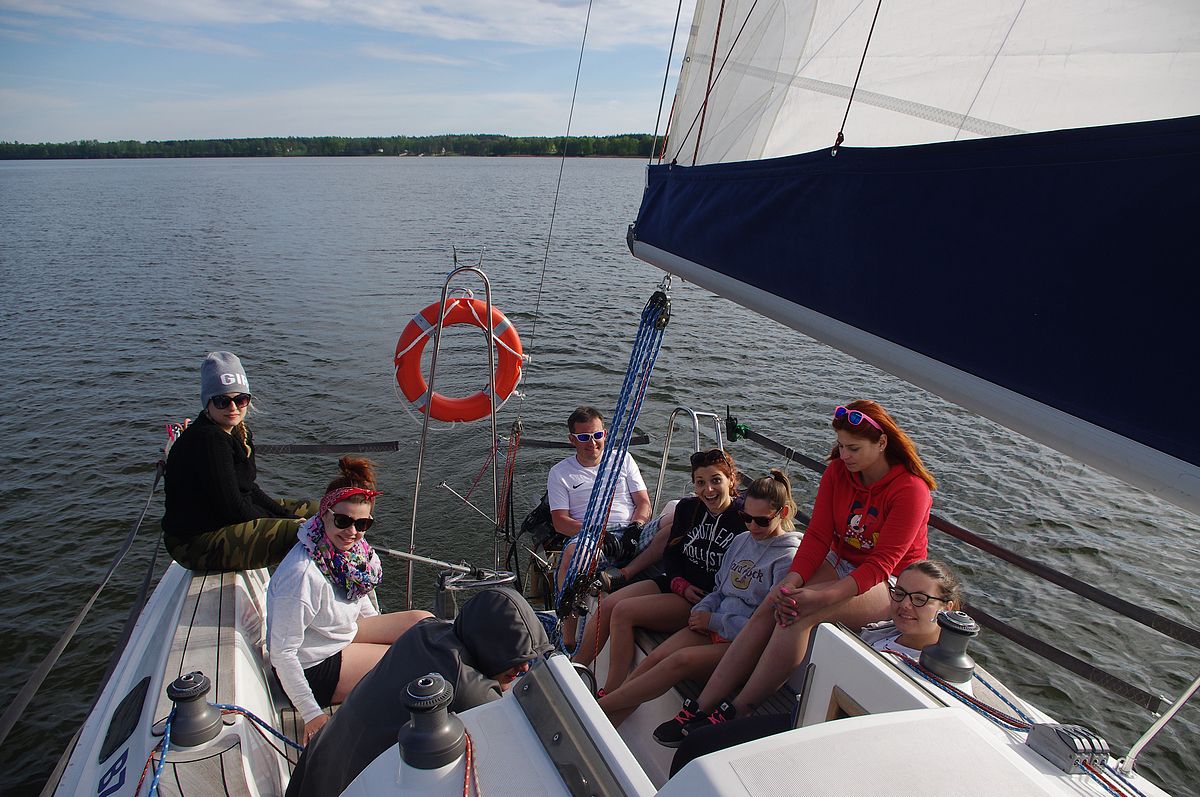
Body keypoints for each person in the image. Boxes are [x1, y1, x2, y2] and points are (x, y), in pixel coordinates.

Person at [657, 400, 936, 741]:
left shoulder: (910, 490)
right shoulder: (838, 472)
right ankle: (702, 705)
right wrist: (791, 581)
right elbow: (817, 536)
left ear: (881, 443)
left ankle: (739, 708)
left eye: (853, 448)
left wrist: (820, 597)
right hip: (839, 560)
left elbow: (881, 564)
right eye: (840, 446)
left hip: (890, 582)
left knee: (800, 612)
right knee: (777, 599)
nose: (844, 456)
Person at [668, 559, 964, 775]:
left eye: (920, 599)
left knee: (697, 749)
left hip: (835, 748)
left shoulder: (938, 674)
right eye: (899, 594)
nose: (905, 605)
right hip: (809, 718)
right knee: (696, 747)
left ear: (947, 608)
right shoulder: (885, 632)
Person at [284, 587, 553, 797]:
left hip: (313, 774)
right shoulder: (469, 691)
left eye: (528, 658)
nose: (523, 668)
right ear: (490, 643)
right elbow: (508, 756)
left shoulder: (426, 631)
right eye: (515, 656)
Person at [597, 471, 802, 732]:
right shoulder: (741, 541)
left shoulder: (787, 559)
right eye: (746, 517)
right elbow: (719, 589)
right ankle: (607, 725)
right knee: (655, 658)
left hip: (741, 644)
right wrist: (702, 610)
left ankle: (597, 710)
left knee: (678, 661)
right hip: (713, 625)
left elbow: (764, 627)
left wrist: (713, 620)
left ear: (783, 513)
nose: (752, 526)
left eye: (761, 520)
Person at [266, 457, 433, 744]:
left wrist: (382, 635)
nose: (352, 531)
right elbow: (282, 653)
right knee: (407, 662)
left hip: (338, 636)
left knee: (424, 624)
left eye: (362, 523)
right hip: (313, 666)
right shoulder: (302, 576)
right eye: (342, 521)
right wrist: (312, 714)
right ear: (324, 514)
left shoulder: (350, 555)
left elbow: (360, 601)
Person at [573, 449, 746, 697]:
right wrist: (678, 582)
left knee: (623, 611)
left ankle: (610, 691)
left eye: (716, 480)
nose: (708, 490)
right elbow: (671, 554)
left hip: (702, 599)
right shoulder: (688, 509)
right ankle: (575, 669)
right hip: (677, 583)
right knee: (609, 604)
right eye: (700, 482)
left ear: (731, 480)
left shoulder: (744, 518)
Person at [162, 351, 314, 570]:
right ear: (208, 403)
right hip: (195, 542)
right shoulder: (210, 440)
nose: (233, 408)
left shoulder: (238, 431)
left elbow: (248, 489)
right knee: (309, 532)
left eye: (240, 400)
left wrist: (285, 515)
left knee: (323, 512)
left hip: (222, 521)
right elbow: (233, 508)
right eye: (222, 401)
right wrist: (286, 523)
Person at [547, 406, 653, 645]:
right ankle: (568, 639)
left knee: (672, 518)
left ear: (604, 434)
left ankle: (625, 573)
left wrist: (636, 528)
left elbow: (643, 503)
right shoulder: (560, 473)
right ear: (572, 439)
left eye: (597, 435)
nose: (592, 443)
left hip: (630, 530)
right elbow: (560, 522)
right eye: (584, 437)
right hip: (591, 536)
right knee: (573, 555)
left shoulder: (623, 459)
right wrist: (599, 534)